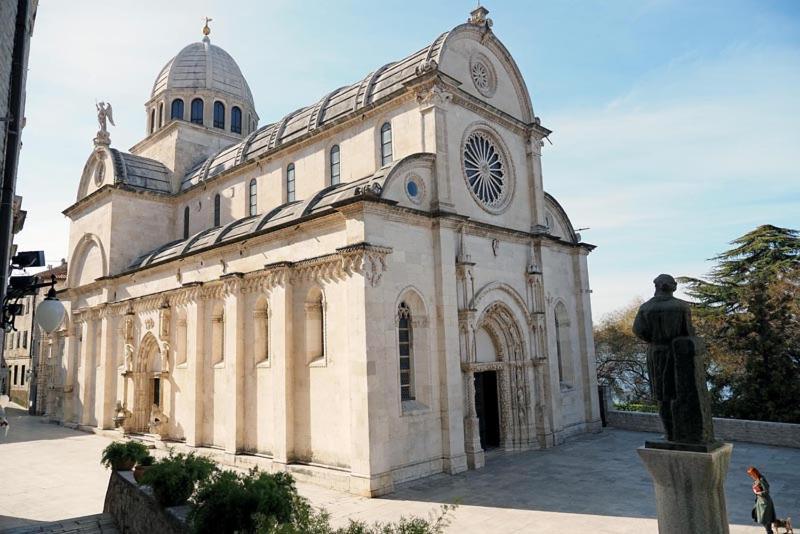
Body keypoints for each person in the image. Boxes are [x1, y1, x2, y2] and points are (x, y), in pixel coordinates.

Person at [748, 466, 776, 533]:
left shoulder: (761, 479)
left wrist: (757, 492)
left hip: (765, 503)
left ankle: (769, 532)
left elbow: (766, 491)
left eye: (751, 475)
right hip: (760, 502)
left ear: (755, 473)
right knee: (762, 519)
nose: (751, 476)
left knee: (766, 520)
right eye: (750, 475)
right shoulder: (757, 480)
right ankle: (769, 531)